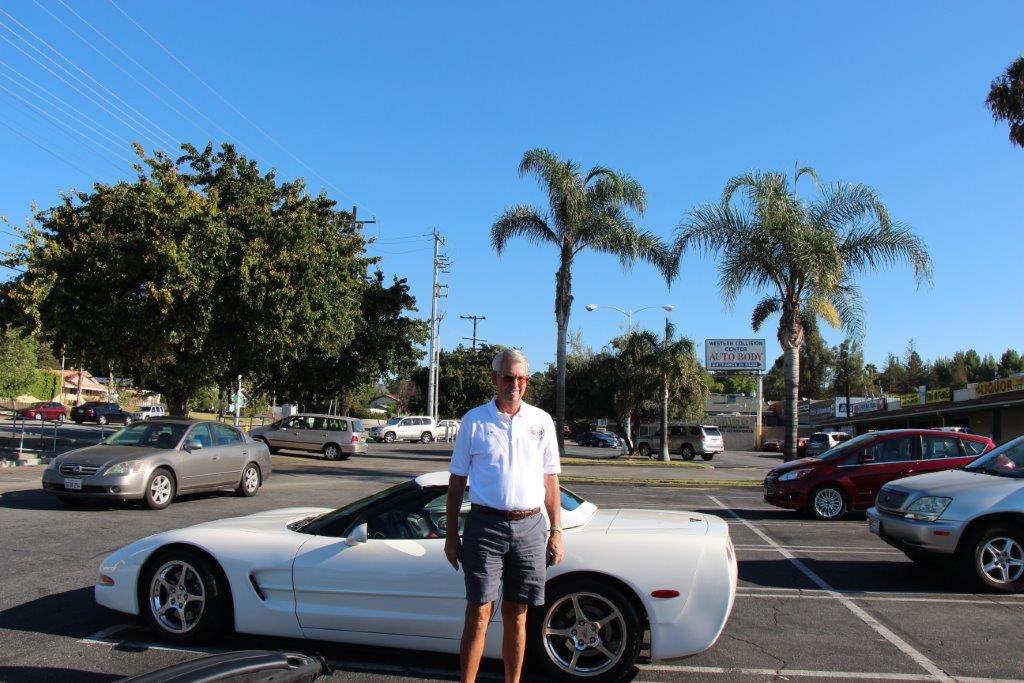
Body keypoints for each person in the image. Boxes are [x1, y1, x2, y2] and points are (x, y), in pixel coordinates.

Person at [444, 348, 563, 683]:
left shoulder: (541, 421)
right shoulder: (474, 421)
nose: (515, 384)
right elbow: (456, 481)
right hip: (485, 527)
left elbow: (551, 480)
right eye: (509, 378)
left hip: (531, 528)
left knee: (518, 613)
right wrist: (451, 537)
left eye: (521, 378)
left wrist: (557, 531)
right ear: (495, 378)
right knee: (479, 611)